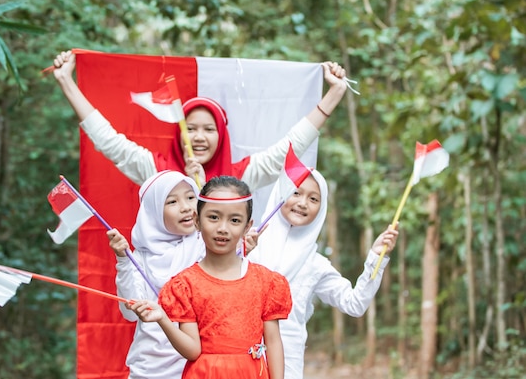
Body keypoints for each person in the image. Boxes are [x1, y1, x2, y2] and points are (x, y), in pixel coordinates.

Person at [52, 50, 348, 190]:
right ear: (179, 135)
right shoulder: (156, 171)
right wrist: (66, 82)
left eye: (209, 129)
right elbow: (109, 141)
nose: (198, 137)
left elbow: (290, 147)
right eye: (190, 128)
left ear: (222, 137)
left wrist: (334, 93)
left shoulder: (239, 176)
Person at [128, 176, 292, 379]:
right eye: (213, 217)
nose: (223, 228)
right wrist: (162, 319)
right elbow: (192, 350)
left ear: (247, 227)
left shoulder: (266, 282)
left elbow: (273, 342)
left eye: (234, 220)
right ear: (197, 221)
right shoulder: (184, 285)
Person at [247, 170, 399, 379]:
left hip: (287, 360)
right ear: (281, 193)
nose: (302, 203)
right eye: (296, 193)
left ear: (322, 208)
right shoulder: (248, 243)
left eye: (313, 199)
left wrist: (375, 258)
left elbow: (354, 304)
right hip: (238, 353)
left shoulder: (315, 264)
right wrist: (239, 253)